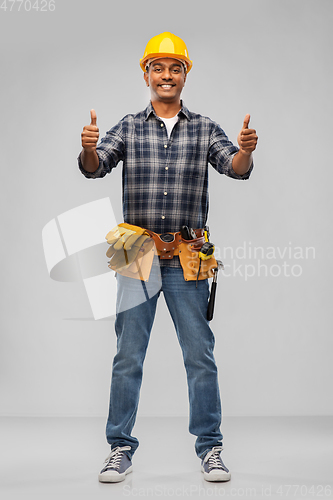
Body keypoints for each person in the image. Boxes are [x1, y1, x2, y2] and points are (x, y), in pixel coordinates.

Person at [78, 32, 258, 483]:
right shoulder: (128, 125)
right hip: (135, 252)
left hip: (188, 253)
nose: (166, 75)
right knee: (128, 355)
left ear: (185, 75)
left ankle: (210, 449)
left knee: (200, 355)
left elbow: (233, 167)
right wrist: (87, 148)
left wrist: (245, 153)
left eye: (174, 68)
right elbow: (96, 166)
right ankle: (119, 448)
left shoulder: (203, 127)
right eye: (158, 67)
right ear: (146, 74)